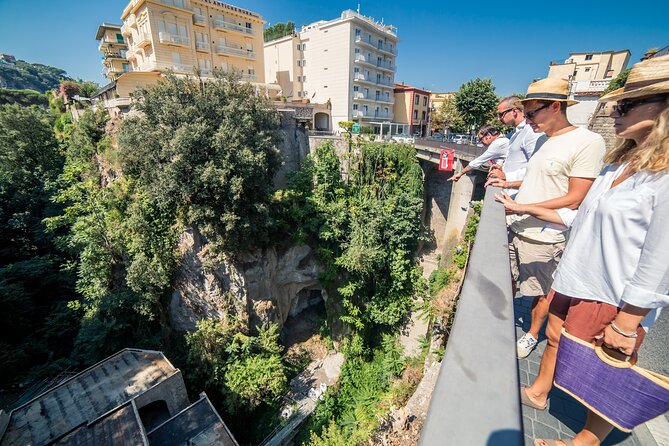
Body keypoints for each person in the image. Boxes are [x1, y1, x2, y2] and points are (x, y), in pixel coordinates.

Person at [500, 55, 669, 446]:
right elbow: (582, 217)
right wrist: (525, 205)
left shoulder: (662, 178)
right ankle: (540, 392)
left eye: (625, 106)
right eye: (615, 106)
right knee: (557, 339)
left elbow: (660, 260)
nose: (614, 114)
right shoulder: (620, 165)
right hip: (576, 277)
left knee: (606, 370)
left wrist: (628, 322)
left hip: (611, 292)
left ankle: (584, 442)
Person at [487, 78, 606, 358]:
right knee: (509, 280)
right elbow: (533, 178)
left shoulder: (587, 142)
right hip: (516, 224)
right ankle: (501, 325)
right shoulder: (542, 140)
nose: (527, 120)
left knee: (541, 292)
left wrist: (525, 208)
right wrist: (509, 183)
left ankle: (531, 334)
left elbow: (575, 197)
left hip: (544, 234)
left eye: (531, 114)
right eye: (525, 114)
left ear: (555, 106)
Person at [488, 96, 546, 197]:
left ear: (514, 111)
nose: (499, 118)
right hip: (511, 193)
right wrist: (502, 167)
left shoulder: (531, 131)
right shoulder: (517, 132)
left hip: (519, 195)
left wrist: (506, 176)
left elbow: (536, 167)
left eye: (501, 114)